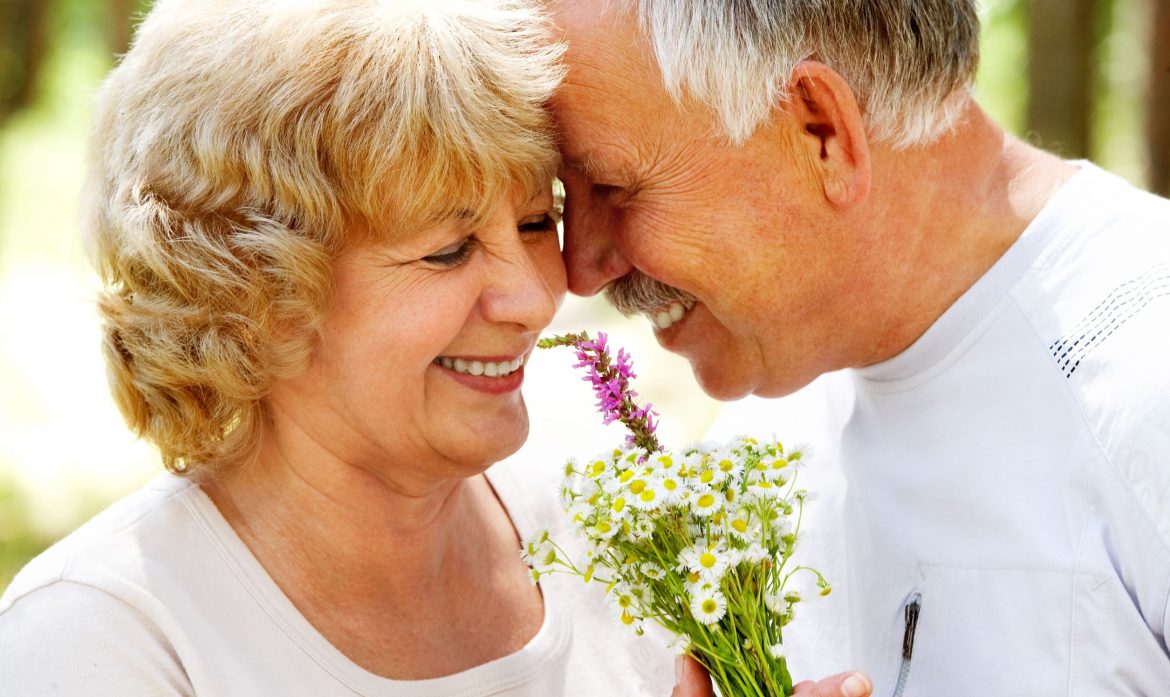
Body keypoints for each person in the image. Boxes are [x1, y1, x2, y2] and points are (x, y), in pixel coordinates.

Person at [0, 0, 685, 694]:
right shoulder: (102, 638)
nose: (537, 298)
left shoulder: (617, 549)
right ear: (254, 290)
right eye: (448, 251)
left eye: (538, 221)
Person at [549, 1, 1170, 695]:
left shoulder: (1148, 372)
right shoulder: (752, 461)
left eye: (611, 186)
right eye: (559, 197)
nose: (580, 267)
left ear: (821, 130)